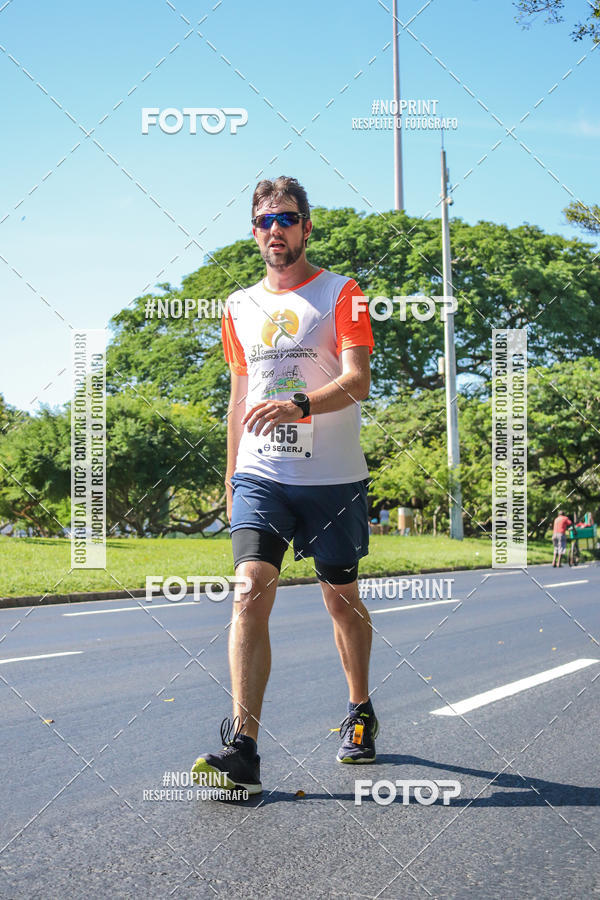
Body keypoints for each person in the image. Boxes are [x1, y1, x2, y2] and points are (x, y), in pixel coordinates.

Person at [191, 176, 376, 795]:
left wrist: (300, 404)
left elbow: (357, 381)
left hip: (333, 478)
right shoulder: (238, 306)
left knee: (340, 599)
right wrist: (230, 471)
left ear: (307, 227)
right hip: (262, 473)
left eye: (287, 219)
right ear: (253, 232)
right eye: (265, 221)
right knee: (249, 587)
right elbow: (239, 397)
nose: (276, 230)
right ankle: (243, 746)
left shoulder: (342, 294)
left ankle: (358, 709)